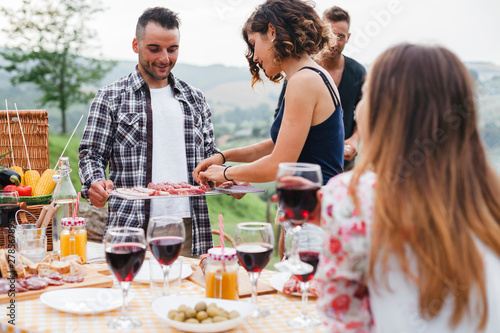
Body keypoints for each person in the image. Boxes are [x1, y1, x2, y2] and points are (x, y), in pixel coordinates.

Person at [314, 44, 500, 332]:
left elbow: (344, 320)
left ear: (382, 114)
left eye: (364, 96)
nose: (358, 108)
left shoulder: (350, 197)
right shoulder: (490, 201)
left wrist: (339, 222)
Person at [79, 7, 219, 256]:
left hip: (188, 226)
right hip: (130, 228)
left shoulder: (195, 99)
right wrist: (94, 184)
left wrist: (230, 176)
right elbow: (92, 155)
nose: (164, 58)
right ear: (136, 45)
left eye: (172, 49)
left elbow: (210, 155)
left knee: (185, 294)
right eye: (154, 49)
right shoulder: (110, 97)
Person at [193, 0, 344, 188]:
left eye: (254, 43)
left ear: (272, 32)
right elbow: (278, 145)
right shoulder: (314, 75)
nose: (254, 57)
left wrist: (225, 172)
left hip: (311, 206)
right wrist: (224, 156)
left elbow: (278, 165)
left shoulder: (303, 82)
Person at [275, 6, 366, 171]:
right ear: (322, 32)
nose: (334, 43)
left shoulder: (358, 72)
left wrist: (354, 139)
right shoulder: (299, 71)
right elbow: (280, 115)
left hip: (343, 166)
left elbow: (364, 112)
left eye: (340, 37)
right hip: (303, 167)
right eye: (331, 35)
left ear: (348, 38)